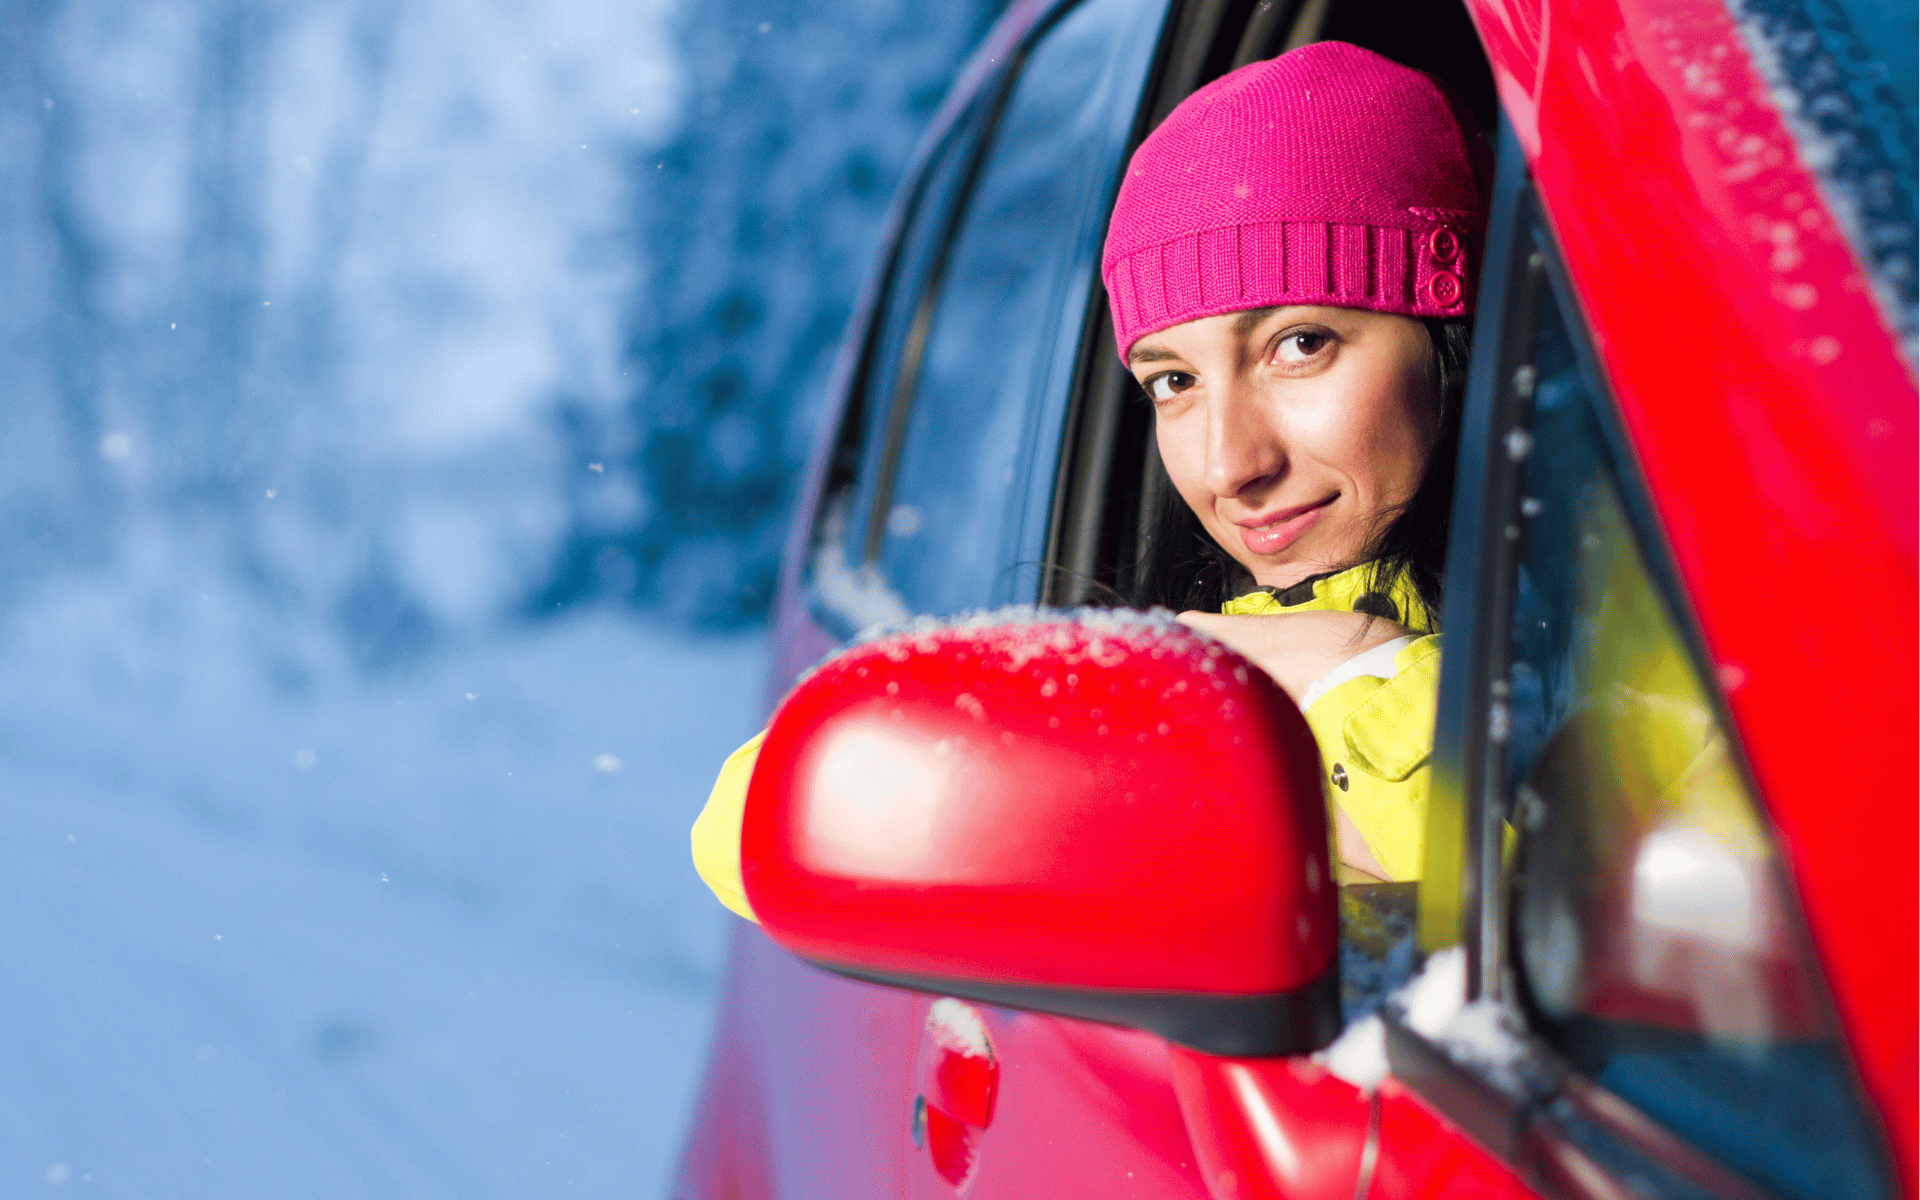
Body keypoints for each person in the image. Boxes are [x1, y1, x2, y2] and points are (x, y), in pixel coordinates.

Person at [692, 41, 1489, 921]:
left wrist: (1357, 674)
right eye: (1173, 382)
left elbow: (1592, 881)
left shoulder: (1638, 617)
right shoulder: (1182, 670)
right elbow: (750, 825)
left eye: (1299, 345)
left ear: (1457, 343)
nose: (1230, 465)